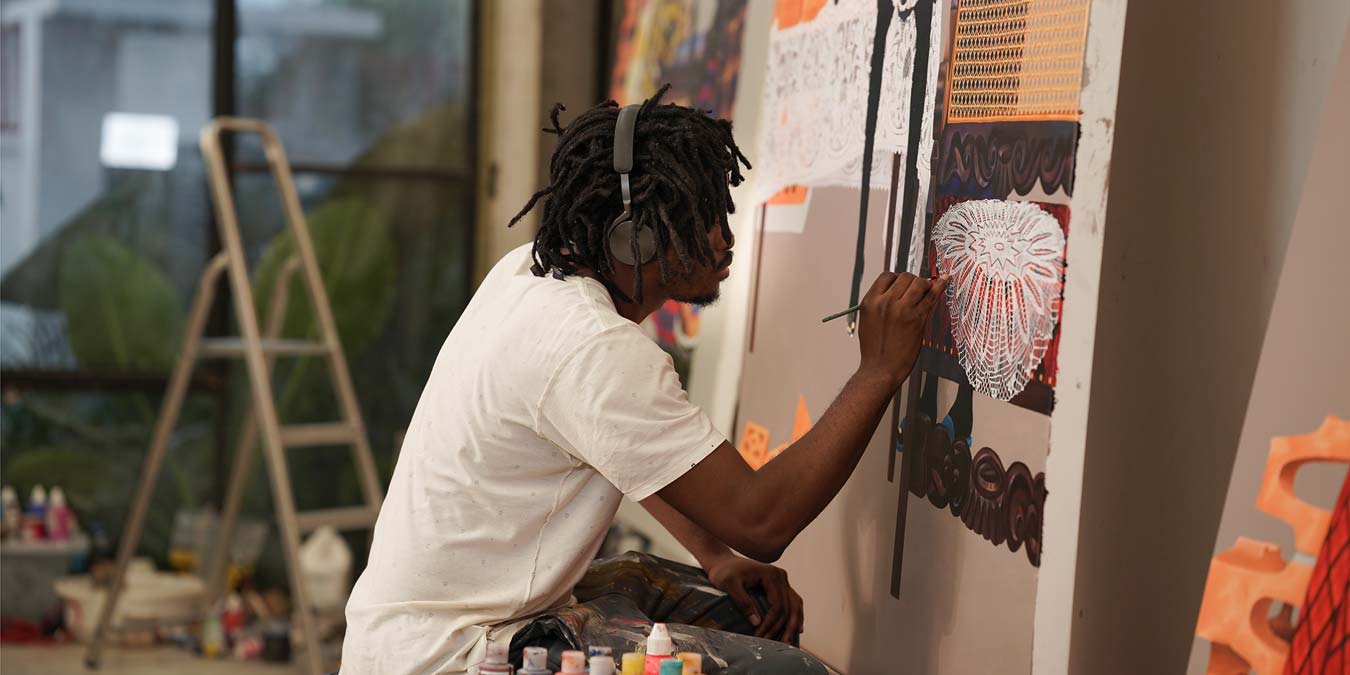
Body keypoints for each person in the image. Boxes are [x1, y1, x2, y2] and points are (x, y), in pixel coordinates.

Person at [340, 86, 947, 674]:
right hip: (458, 656)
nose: (726, 239)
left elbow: (618, 443)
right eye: (706, 219)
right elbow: (764, 522)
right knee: (792, 672)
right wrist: (878, 370)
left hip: (419, 632)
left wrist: (713, 554)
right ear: (637, 240)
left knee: (722, 604)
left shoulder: (529, 273)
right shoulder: (591, 346)